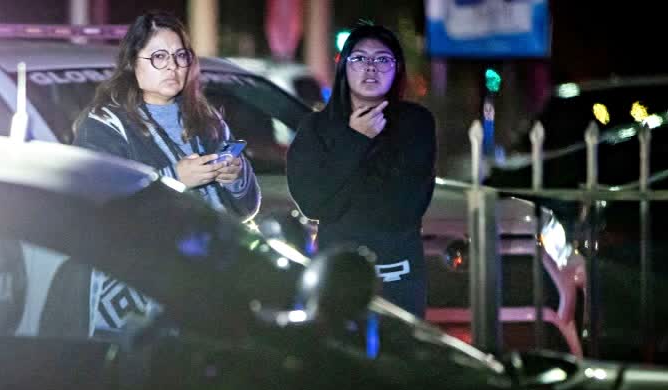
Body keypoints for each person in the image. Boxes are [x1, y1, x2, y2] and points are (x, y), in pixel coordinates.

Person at [285, 22, 435, 318]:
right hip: (334, 277)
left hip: (398, 277)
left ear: (397, 68)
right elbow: (313, 203)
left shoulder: (415, 123)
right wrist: (355, 140)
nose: (371, 68)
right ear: (344, 67)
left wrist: (340, 194)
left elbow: (405, 207)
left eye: (382, 59)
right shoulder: (316, 128)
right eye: (360, 58)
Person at [73, 11, 260, 222]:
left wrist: (235, 177)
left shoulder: (207, 118)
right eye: (159, 56)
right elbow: (99, 211)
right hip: (154, 254)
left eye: (180, 55)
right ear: (132, 63)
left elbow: (246, 210)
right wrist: (173, 179)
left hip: (216, 248)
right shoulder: (104, 124)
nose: (173, 66)